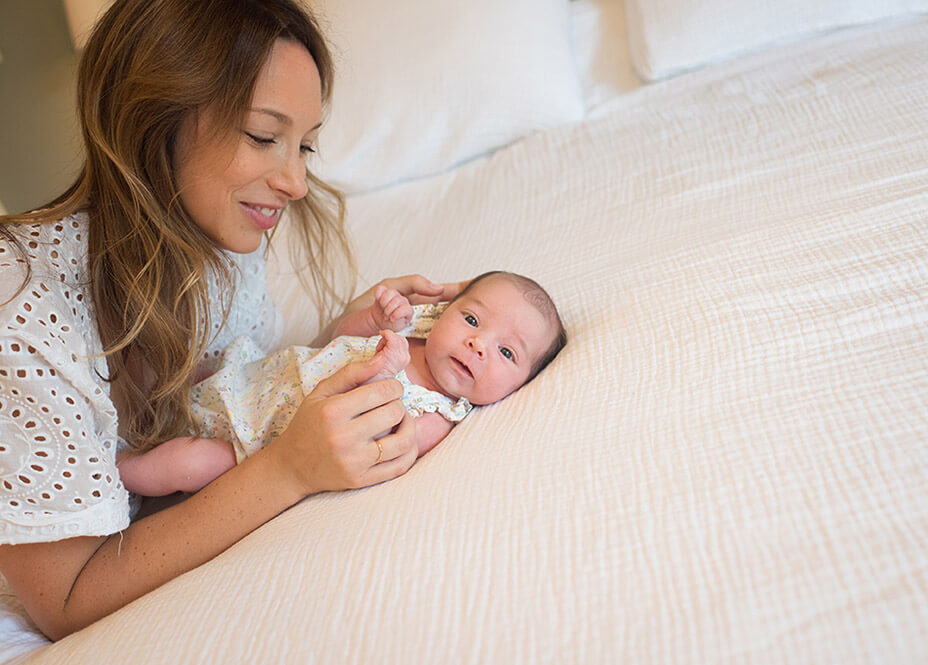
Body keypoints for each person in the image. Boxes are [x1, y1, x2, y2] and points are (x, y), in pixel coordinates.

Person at [0, 0, 460, 641]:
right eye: (264, 136)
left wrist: (334, 347)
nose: (297, 182)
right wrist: (289, 470)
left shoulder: (217, 234)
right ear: (152, 117)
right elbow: (67, 600)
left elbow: (219, 391)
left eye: (304, 145)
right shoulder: (23, 313)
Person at [117, 271, 568, 496]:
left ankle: (113, 474)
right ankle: (127, 408)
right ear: (447, 309)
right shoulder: (416, 326)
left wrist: (384, 369)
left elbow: (380, 443)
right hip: (262, 378)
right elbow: (339, 340)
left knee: (186, 466)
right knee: (180, 376)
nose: (477, 344)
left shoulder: (436, 417)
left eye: (507, 353)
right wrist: (373, 319)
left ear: (521, 385)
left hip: (259, 437)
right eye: (472, 319)